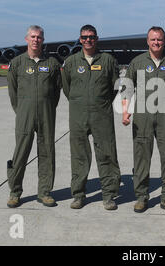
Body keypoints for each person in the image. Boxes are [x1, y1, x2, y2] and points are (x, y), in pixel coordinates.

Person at [121, 26, 165, 215]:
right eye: (153, 40)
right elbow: (126, 87)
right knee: (141, 156)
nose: (156, 43)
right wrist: (125, 112)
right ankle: (141, 197)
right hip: (142, 115)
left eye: (159, 40)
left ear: (164, 41)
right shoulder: (138, 62)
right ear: (147, 41)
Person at [61, 24, 121, 210]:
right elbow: (66, 87)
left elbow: (115, 86)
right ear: (80, 39)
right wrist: (80, 102)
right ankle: (78, 194)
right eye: (85, 37)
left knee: (107, 154)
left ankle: (109, 195)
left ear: (97, 39)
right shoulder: (71, 62)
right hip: (78, 115)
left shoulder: (108, 60)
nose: (88, 40)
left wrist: (100, 102)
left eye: (91, 37)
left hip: (102, 115)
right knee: (79, 156)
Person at [6, 25, 62, 208]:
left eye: (39, 37)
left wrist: (47, 107)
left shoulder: (52, 63)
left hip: (46, 114)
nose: (36, 40)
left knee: (47, 153)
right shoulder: (17, 63)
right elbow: (13, 92)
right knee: (20, 153)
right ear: (26, 39)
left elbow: (56, 92)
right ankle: (15, 192)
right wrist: (22, 109)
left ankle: (45, 192)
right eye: (33, 36)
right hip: (25, 115)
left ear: (43, 40)